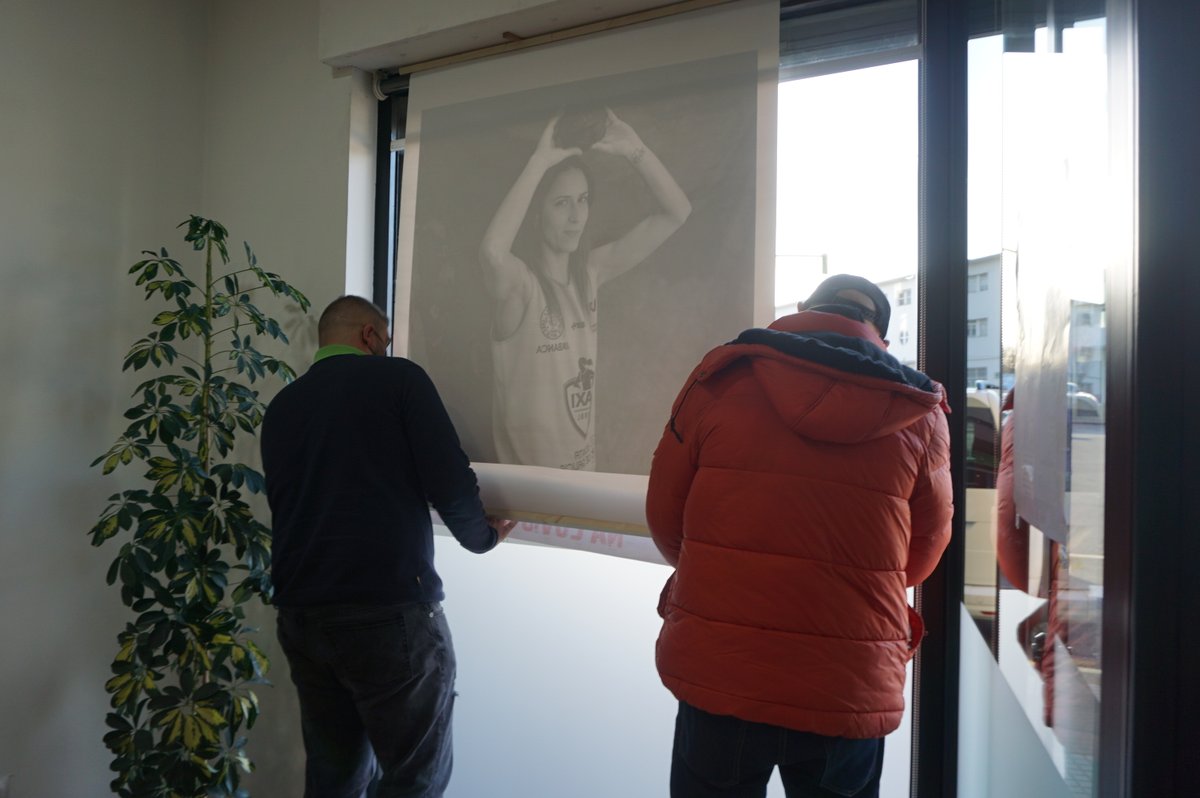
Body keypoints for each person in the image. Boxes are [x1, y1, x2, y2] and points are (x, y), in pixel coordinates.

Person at [646, 274, 953, 797]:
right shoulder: (919, 413)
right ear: (877, 330)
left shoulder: (722, 376)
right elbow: (922, 554)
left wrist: (720, 571)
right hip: (847, 684)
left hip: (724, 668)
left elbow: (666, 516)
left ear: (807, 308)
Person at [260, 295, 516, 798]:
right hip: (387, 612)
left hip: (303, 616)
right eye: (387, 338)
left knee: (334, 779)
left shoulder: (281, 409)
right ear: (371, 336)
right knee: (414, 779)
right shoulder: (398, 379)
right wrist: (482, 538)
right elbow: (448, 477)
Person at [479, 108, 691, 471]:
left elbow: (677, 212)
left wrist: (634, 148)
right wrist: (539, 162)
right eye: (562, 203)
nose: (577, 216)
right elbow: (492, 253)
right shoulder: (521, 287)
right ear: (536, 214)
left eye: (583, 200)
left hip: (582, 481)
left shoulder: (590, 273)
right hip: (529, 498)